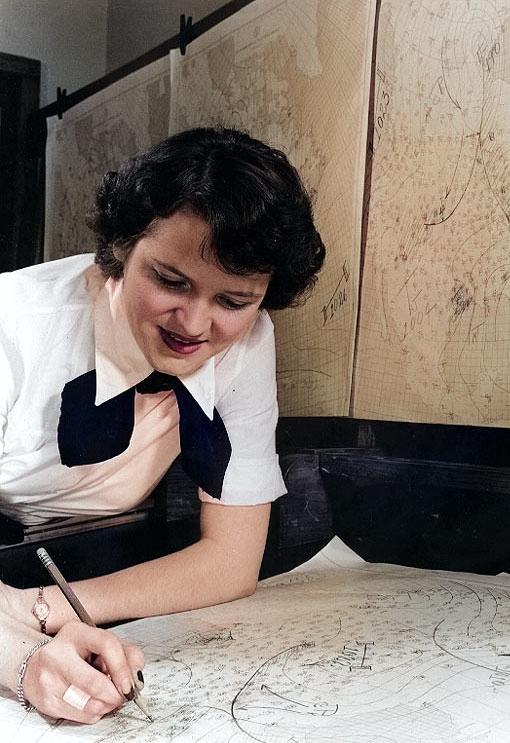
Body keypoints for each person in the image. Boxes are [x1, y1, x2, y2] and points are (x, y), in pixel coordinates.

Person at [0, 127, 325, 723]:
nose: (196, 323)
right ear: (121, 246)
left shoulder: (249, 344)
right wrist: (22, 657)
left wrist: (48, 609)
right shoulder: (12, 325)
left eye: (234, 300)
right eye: (171, 282)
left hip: (66, 573)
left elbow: (231, 561)